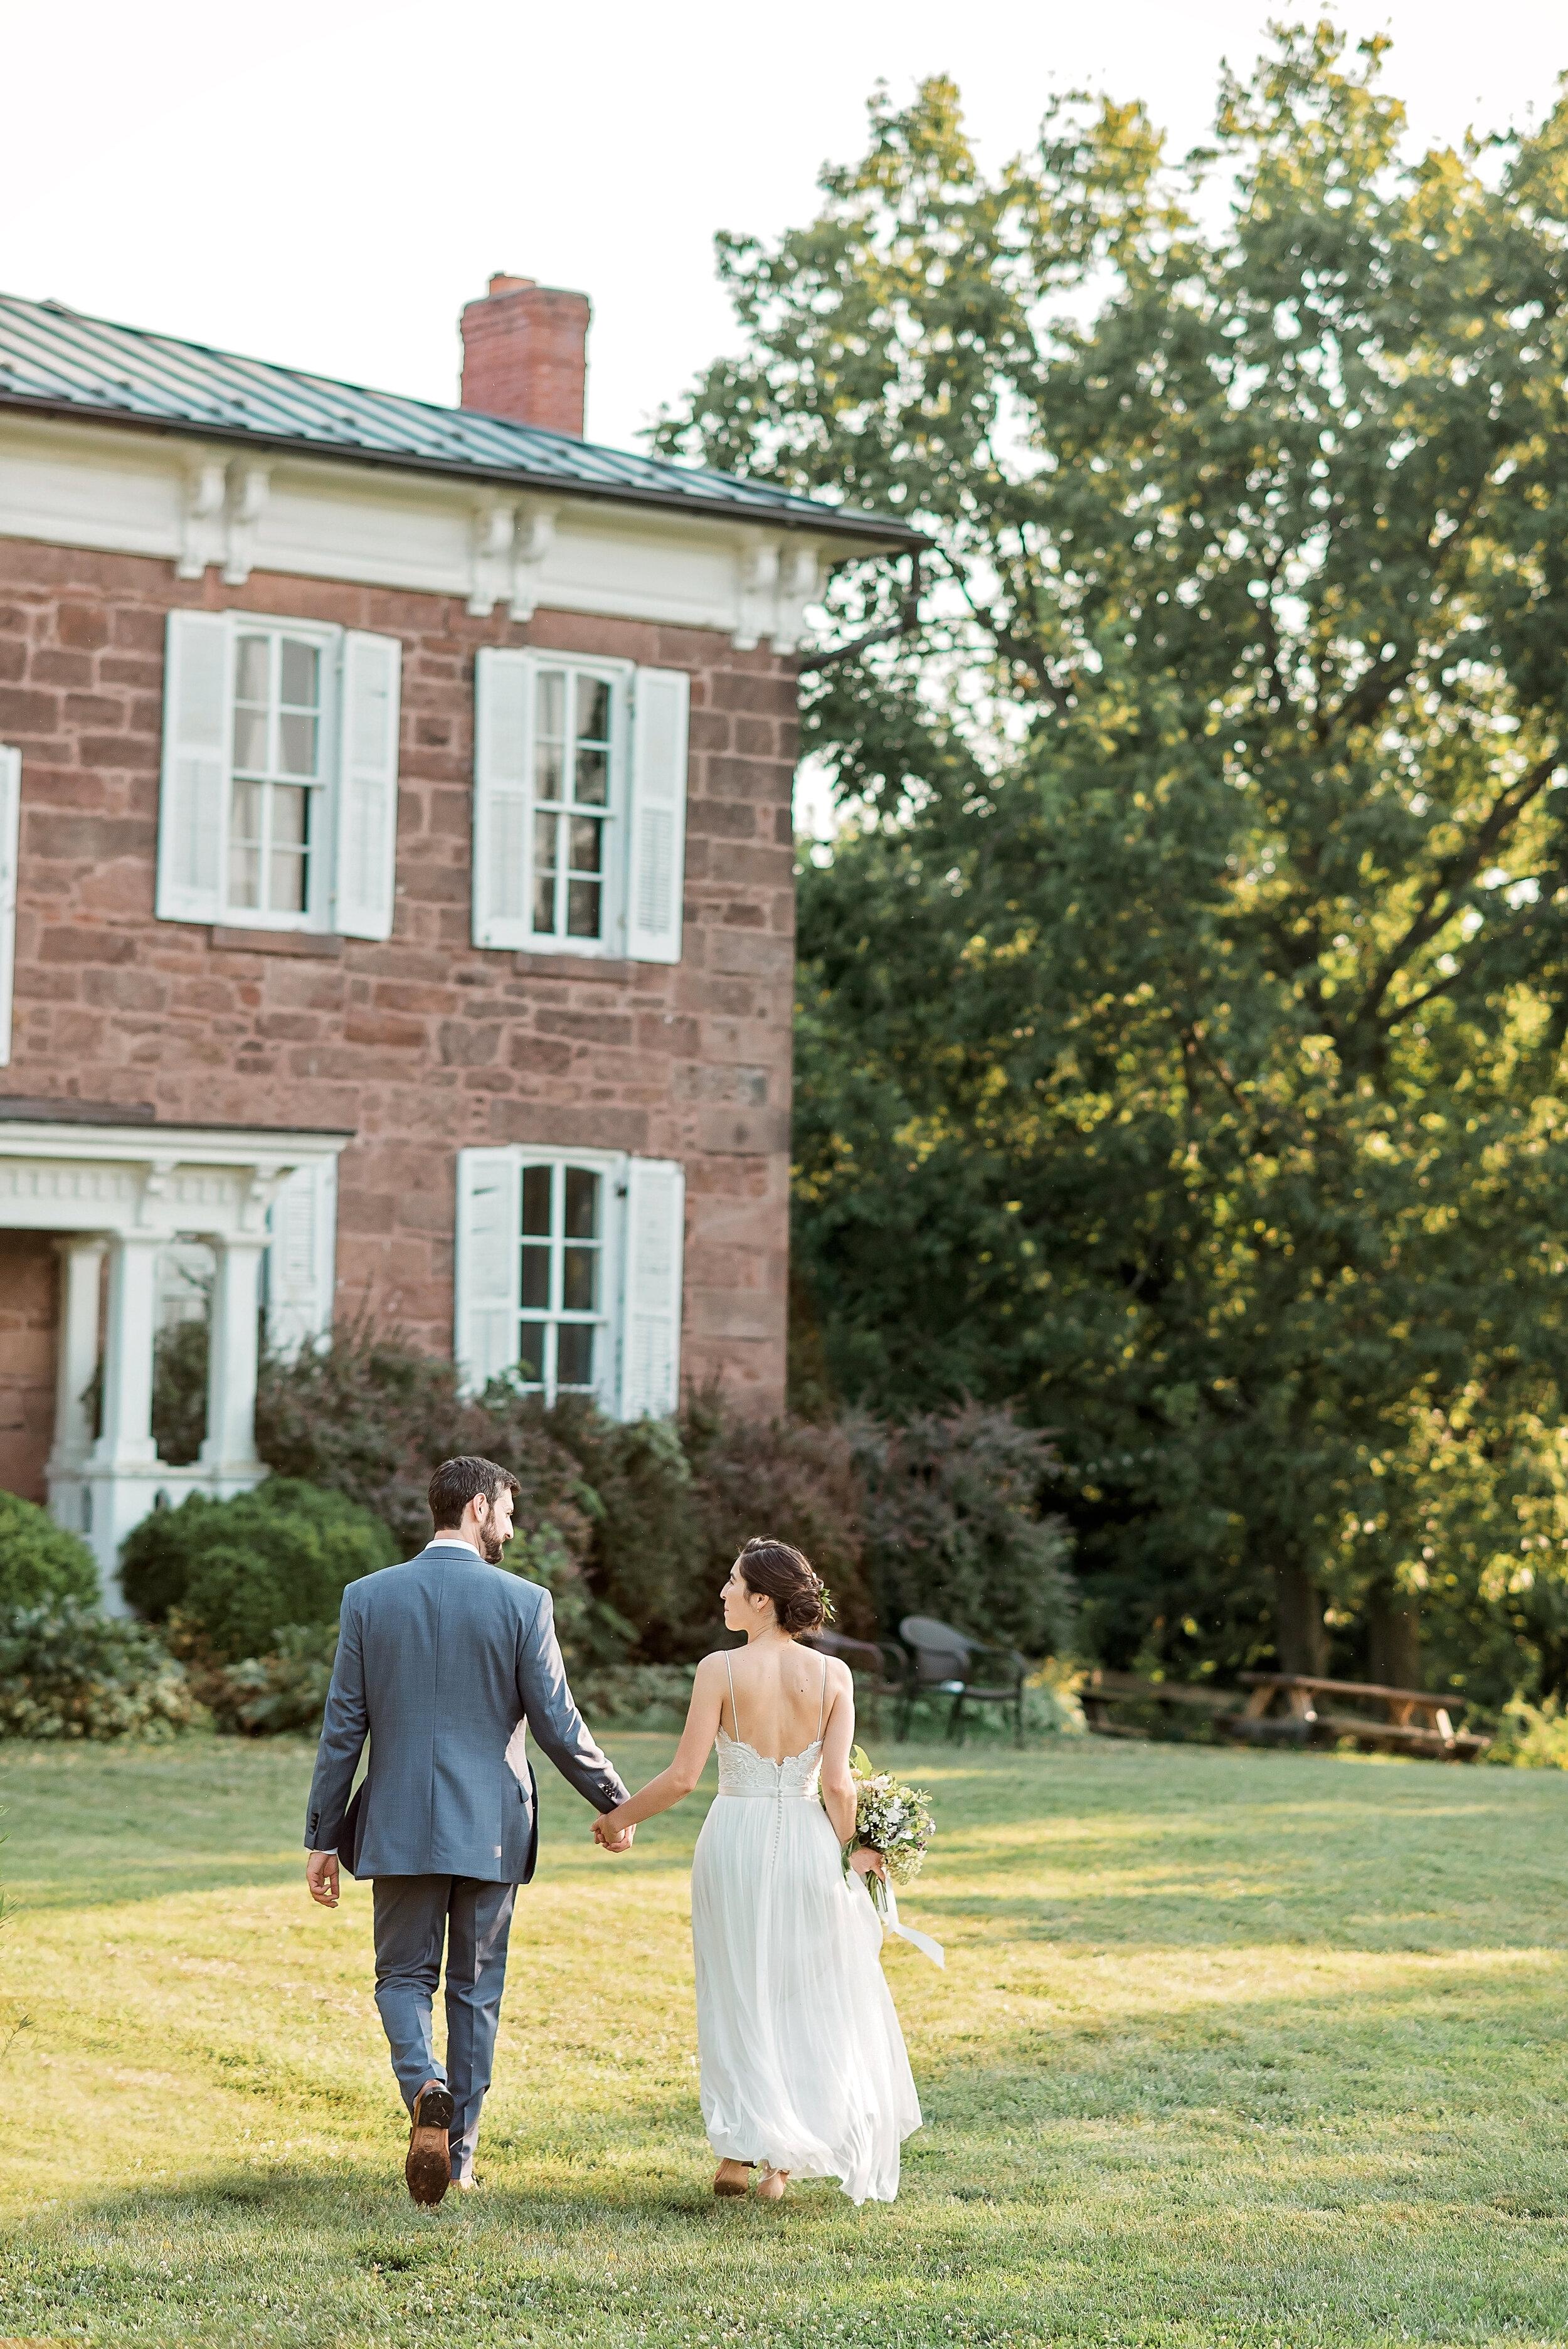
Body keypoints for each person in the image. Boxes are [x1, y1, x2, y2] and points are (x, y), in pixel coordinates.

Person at [302, 1455, 632, 2205]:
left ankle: (425, 2085)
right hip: (492, 1826)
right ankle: (458, 2159)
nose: (510, 1529)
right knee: (476, 1991)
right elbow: (558, 1723)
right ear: (479, 1507)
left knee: (402, 1977)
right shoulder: (525, 1602)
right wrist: (615, 1801)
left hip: (397, 1822)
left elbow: (343, 1727)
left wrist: (322, 1834)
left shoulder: (368, 1597)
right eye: (507, 1512)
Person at [593, 1537, 921, 2204]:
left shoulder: (719, 1669)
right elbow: (837, 1784)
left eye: (732, 1582)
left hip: (734, 1841)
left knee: (736, 1987)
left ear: (762, 1599)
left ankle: (736, 2155)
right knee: (799, 1991)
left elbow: (683, 1777)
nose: (722, 1592)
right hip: (807, 1842)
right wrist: (853, 1854)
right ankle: (781, 2165)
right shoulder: (834, 1676)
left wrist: (617, 1817)